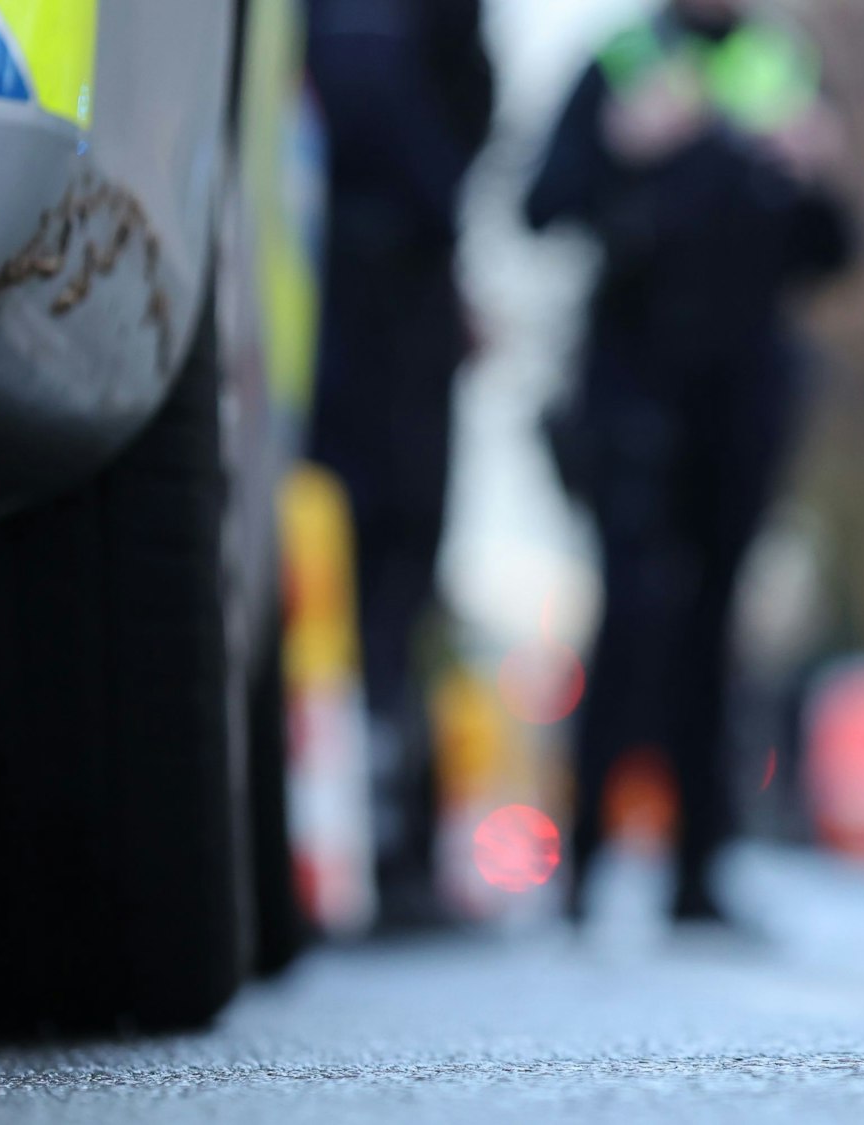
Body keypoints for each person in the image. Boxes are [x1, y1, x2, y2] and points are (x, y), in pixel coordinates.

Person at [525, 0, 854, 928]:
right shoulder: (623, 61)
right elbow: (543, 203)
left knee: (715, 622)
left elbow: (834, 248)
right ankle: (583, 862)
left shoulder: (785, 65)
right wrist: (621, 152)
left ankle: (698, 873)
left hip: (744, 394)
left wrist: (823, 173)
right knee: (632, 615)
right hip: (633, 385)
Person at [307, 0, 494, 926]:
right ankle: (383, 849)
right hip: (369, 306)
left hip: (348, 296)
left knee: (373, 587)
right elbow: (446, 127)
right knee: (380, 581)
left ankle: (376, 841)